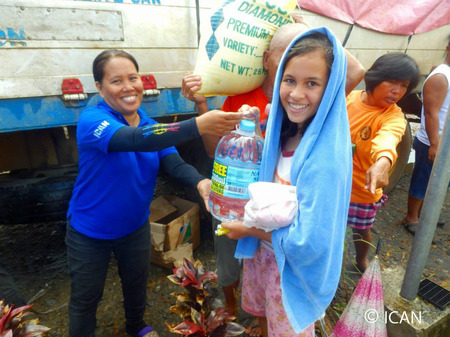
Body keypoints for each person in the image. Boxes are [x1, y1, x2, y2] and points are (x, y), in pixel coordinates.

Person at [181, 22, 365, 336]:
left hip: (291, 271)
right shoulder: (282, 135)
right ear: (274, 72)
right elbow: (254, 177)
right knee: (264, 321)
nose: (296, 93)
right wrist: (222, 182)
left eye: (312, 83)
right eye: (289, 79)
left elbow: (310, 242)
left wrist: (247, 228)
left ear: (331, 86)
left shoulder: (324, 161)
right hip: (264, 259)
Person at [65, 49, 243, 337]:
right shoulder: (92, 121)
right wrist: (199, 124)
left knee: (136, 284)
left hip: (134, 226)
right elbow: (136, 140)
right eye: (116, 81)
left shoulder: (149, 124)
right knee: (86, 298)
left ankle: (136, 326)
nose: (128, 87)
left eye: (133, 78)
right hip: (90, 230)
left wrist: (200, 182)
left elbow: (171, 160)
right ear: (99, 87)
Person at [346, 52, 420, 271]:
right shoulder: (348, 98)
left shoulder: (393, 117)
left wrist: (383, 162)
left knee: (361, 229)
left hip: (361, 191)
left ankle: (361, 260)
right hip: (329, 185)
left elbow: (389, 138)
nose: (397, 91)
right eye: (392, 82)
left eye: (404, 85)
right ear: (375, 78)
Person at [403, 39, 450, 234]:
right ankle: (411, 217)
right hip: (433, 141)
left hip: (443, 143)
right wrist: (434, 144)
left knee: (437, 182)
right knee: (423, 180)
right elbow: (431, 113)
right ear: (448, 48)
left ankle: (425, 213)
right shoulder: (441, 77)